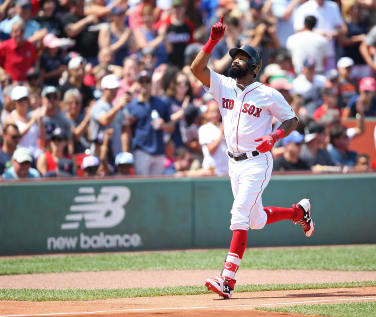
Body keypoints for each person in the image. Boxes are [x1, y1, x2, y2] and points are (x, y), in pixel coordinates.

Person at [190, 17, 314, 299]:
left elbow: (292, 120)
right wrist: (212, 42)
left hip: (258, 161)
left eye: (243, 58)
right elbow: (196, 68)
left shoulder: (268, 93)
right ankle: (299, 212)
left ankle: (227, 282)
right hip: (234, 163)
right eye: (235, 57)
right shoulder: (223, 85)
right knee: (255, 219)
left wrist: (274, 137)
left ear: (255, 67)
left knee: (239, 216)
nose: (236, 61)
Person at [126, 70, 173, 176]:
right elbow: (126, 129)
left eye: (147, 81)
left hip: (159, 151)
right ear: (137, 84)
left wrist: (163, 125)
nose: (144, 84)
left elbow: (171, 126)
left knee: (157, 187)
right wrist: (128, 150)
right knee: (143, 186)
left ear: (151, 84)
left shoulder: (160, 103)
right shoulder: (132, 105)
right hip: (141, 151)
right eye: (141, 82)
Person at [89, 74, 131, 161]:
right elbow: (105, 121)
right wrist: (118, 106)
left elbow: (125, 127)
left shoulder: (115, 107)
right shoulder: (98, 106)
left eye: (115, 89)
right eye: (111, 90)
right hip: (100, 155)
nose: (114, 92)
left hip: (115, 154)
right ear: (104, 89)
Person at [198, 99, 228, 176]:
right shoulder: (204, 128)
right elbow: (211, 150)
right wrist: (221, 134)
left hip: (227, 170)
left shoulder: (226, 126)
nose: (215, 114)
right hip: (212, 171)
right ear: (206, 114)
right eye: (212, 112)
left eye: (217, 111)